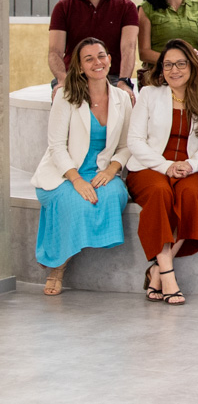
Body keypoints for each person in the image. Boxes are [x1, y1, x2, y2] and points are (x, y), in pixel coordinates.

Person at [32, 38, 132, 296]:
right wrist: (76, 180)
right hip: (64, 172)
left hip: (101, 171)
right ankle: (58, 267)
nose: (97, 62)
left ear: (110, 59)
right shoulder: (65, 96)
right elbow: (56, 146)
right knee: (74, 202)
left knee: (112, 195)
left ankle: (63, 255)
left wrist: (111, 170)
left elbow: (127, 145)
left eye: (101, 56)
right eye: (89, 59)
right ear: (79, 67)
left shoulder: (122, 98)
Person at [126, 40, 198, 305]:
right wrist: (166, 166)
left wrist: (191, 164)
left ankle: (156, 271)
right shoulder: (149, 94)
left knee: (191, 196)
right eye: (167, 65)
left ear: (192, 65)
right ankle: (167, 274)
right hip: (150, 166)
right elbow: (135, 141)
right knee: (160, 193)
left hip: (190, 167)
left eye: (180, 64)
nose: (174, 70)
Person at [48, 0, 138, 101]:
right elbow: (55, 51)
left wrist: (124, 81)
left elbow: (128, 49)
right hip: (74, 77)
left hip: (113, 77)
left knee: (123, 102)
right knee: (64, 100)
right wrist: (63, 79)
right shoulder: (63, 7)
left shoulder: (127, 7)